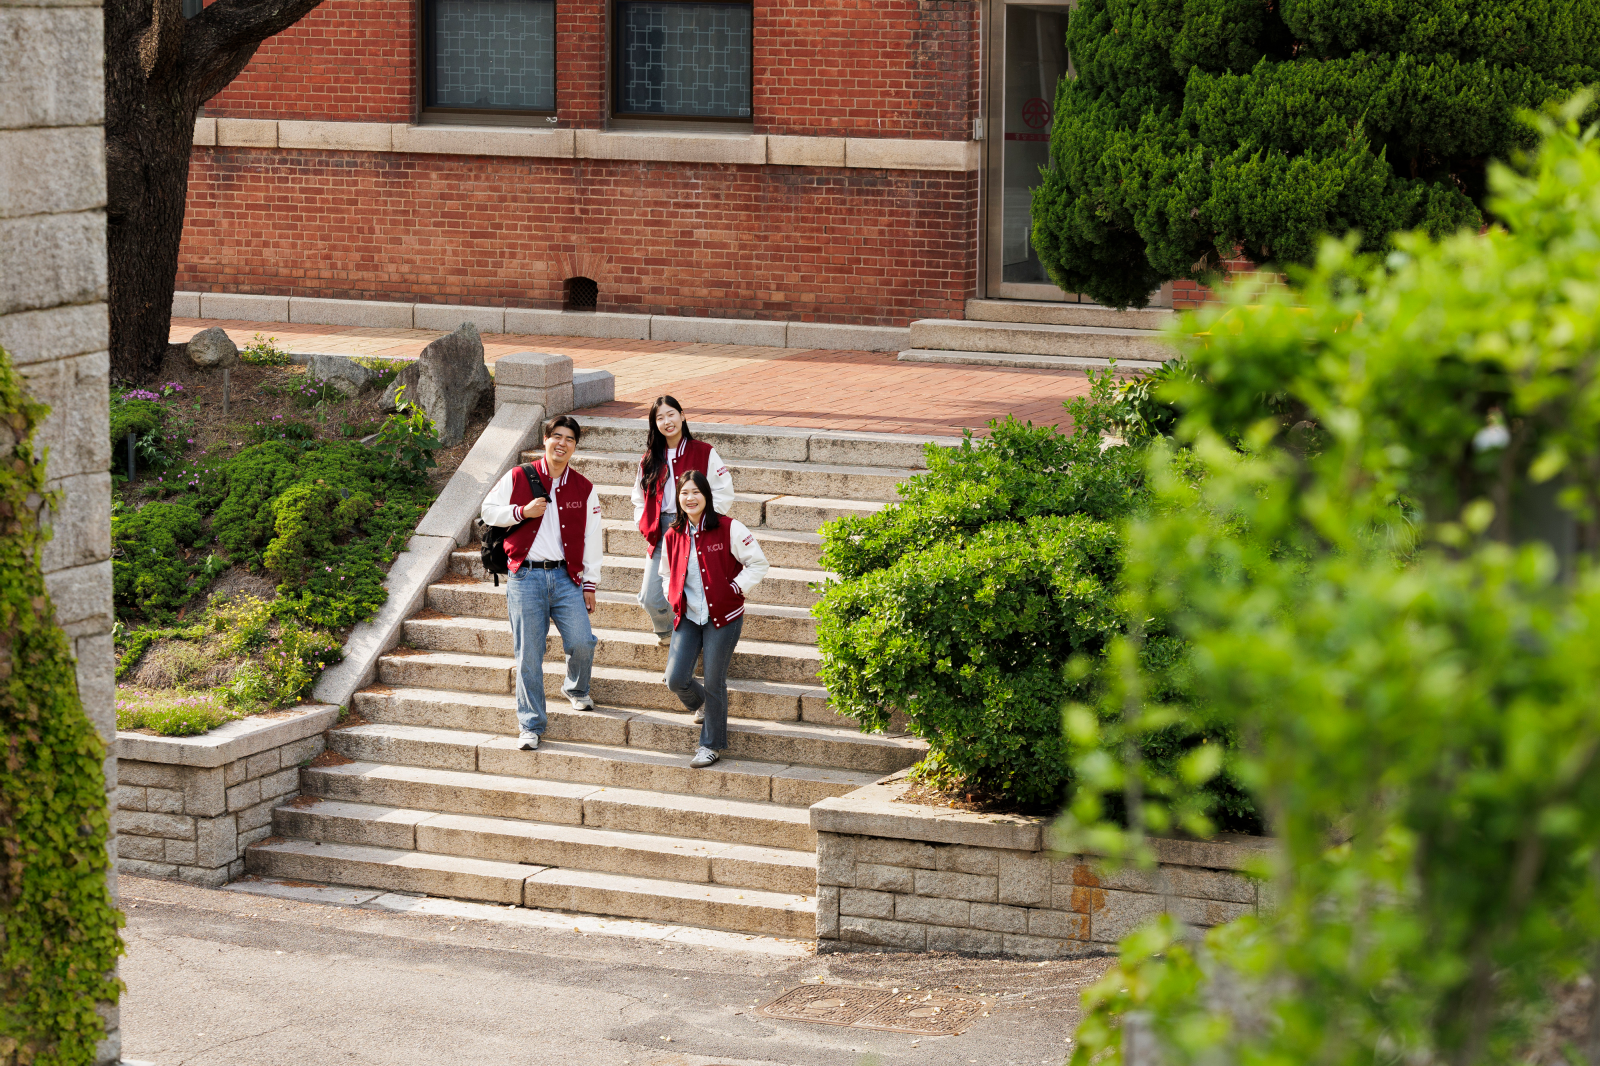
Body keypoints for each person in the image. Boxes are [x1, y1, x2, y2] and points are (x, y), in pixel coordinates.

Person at [479, 415, 602, 750]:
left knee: (582, 641)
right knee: (528, 655)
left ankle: (575, 688)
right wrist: (521, 512)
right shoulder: (519, 476)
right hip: (526, 576)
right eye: (556, 436)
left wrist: (589, 584)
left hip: (566, 578)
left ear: (575, 447)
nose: (562, 443)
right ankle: (530, 725)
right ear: (545, 439)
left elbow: (592, 538)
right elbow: (488, 510)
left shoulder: (584, 488)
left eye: (570, 439)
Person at [657, 469, 768, 768]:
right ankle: (704, 704)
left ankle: (711, 745)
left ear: (706, 495)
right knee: (676, 678)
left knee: (715, 680)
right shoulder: (673, 534)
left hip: (724, 615)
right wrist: (674, 596)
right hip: (689, 616)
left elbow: (758, 563)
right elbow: (665, 573)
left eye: (696, 492)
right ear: (678, 499)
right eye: (684, 493)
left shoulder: (730, 528)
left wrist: (734, 588)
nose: (690, 498)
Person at [631, 396, 734, 646]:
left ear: (682, 415)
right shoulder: (649, 459)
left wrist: (703, 521)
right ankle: (668, 632)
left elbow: (724, 491)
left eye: (671, 414)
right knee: (649, 597)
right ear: (654, 424)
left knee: (693, 592)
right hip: (661, 533)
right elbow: (638, 498)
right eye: (660, 418)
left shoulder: (704, 452)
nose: (667, 421)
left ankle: (692, 640)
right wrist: (645, 524)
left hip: (696, 529)